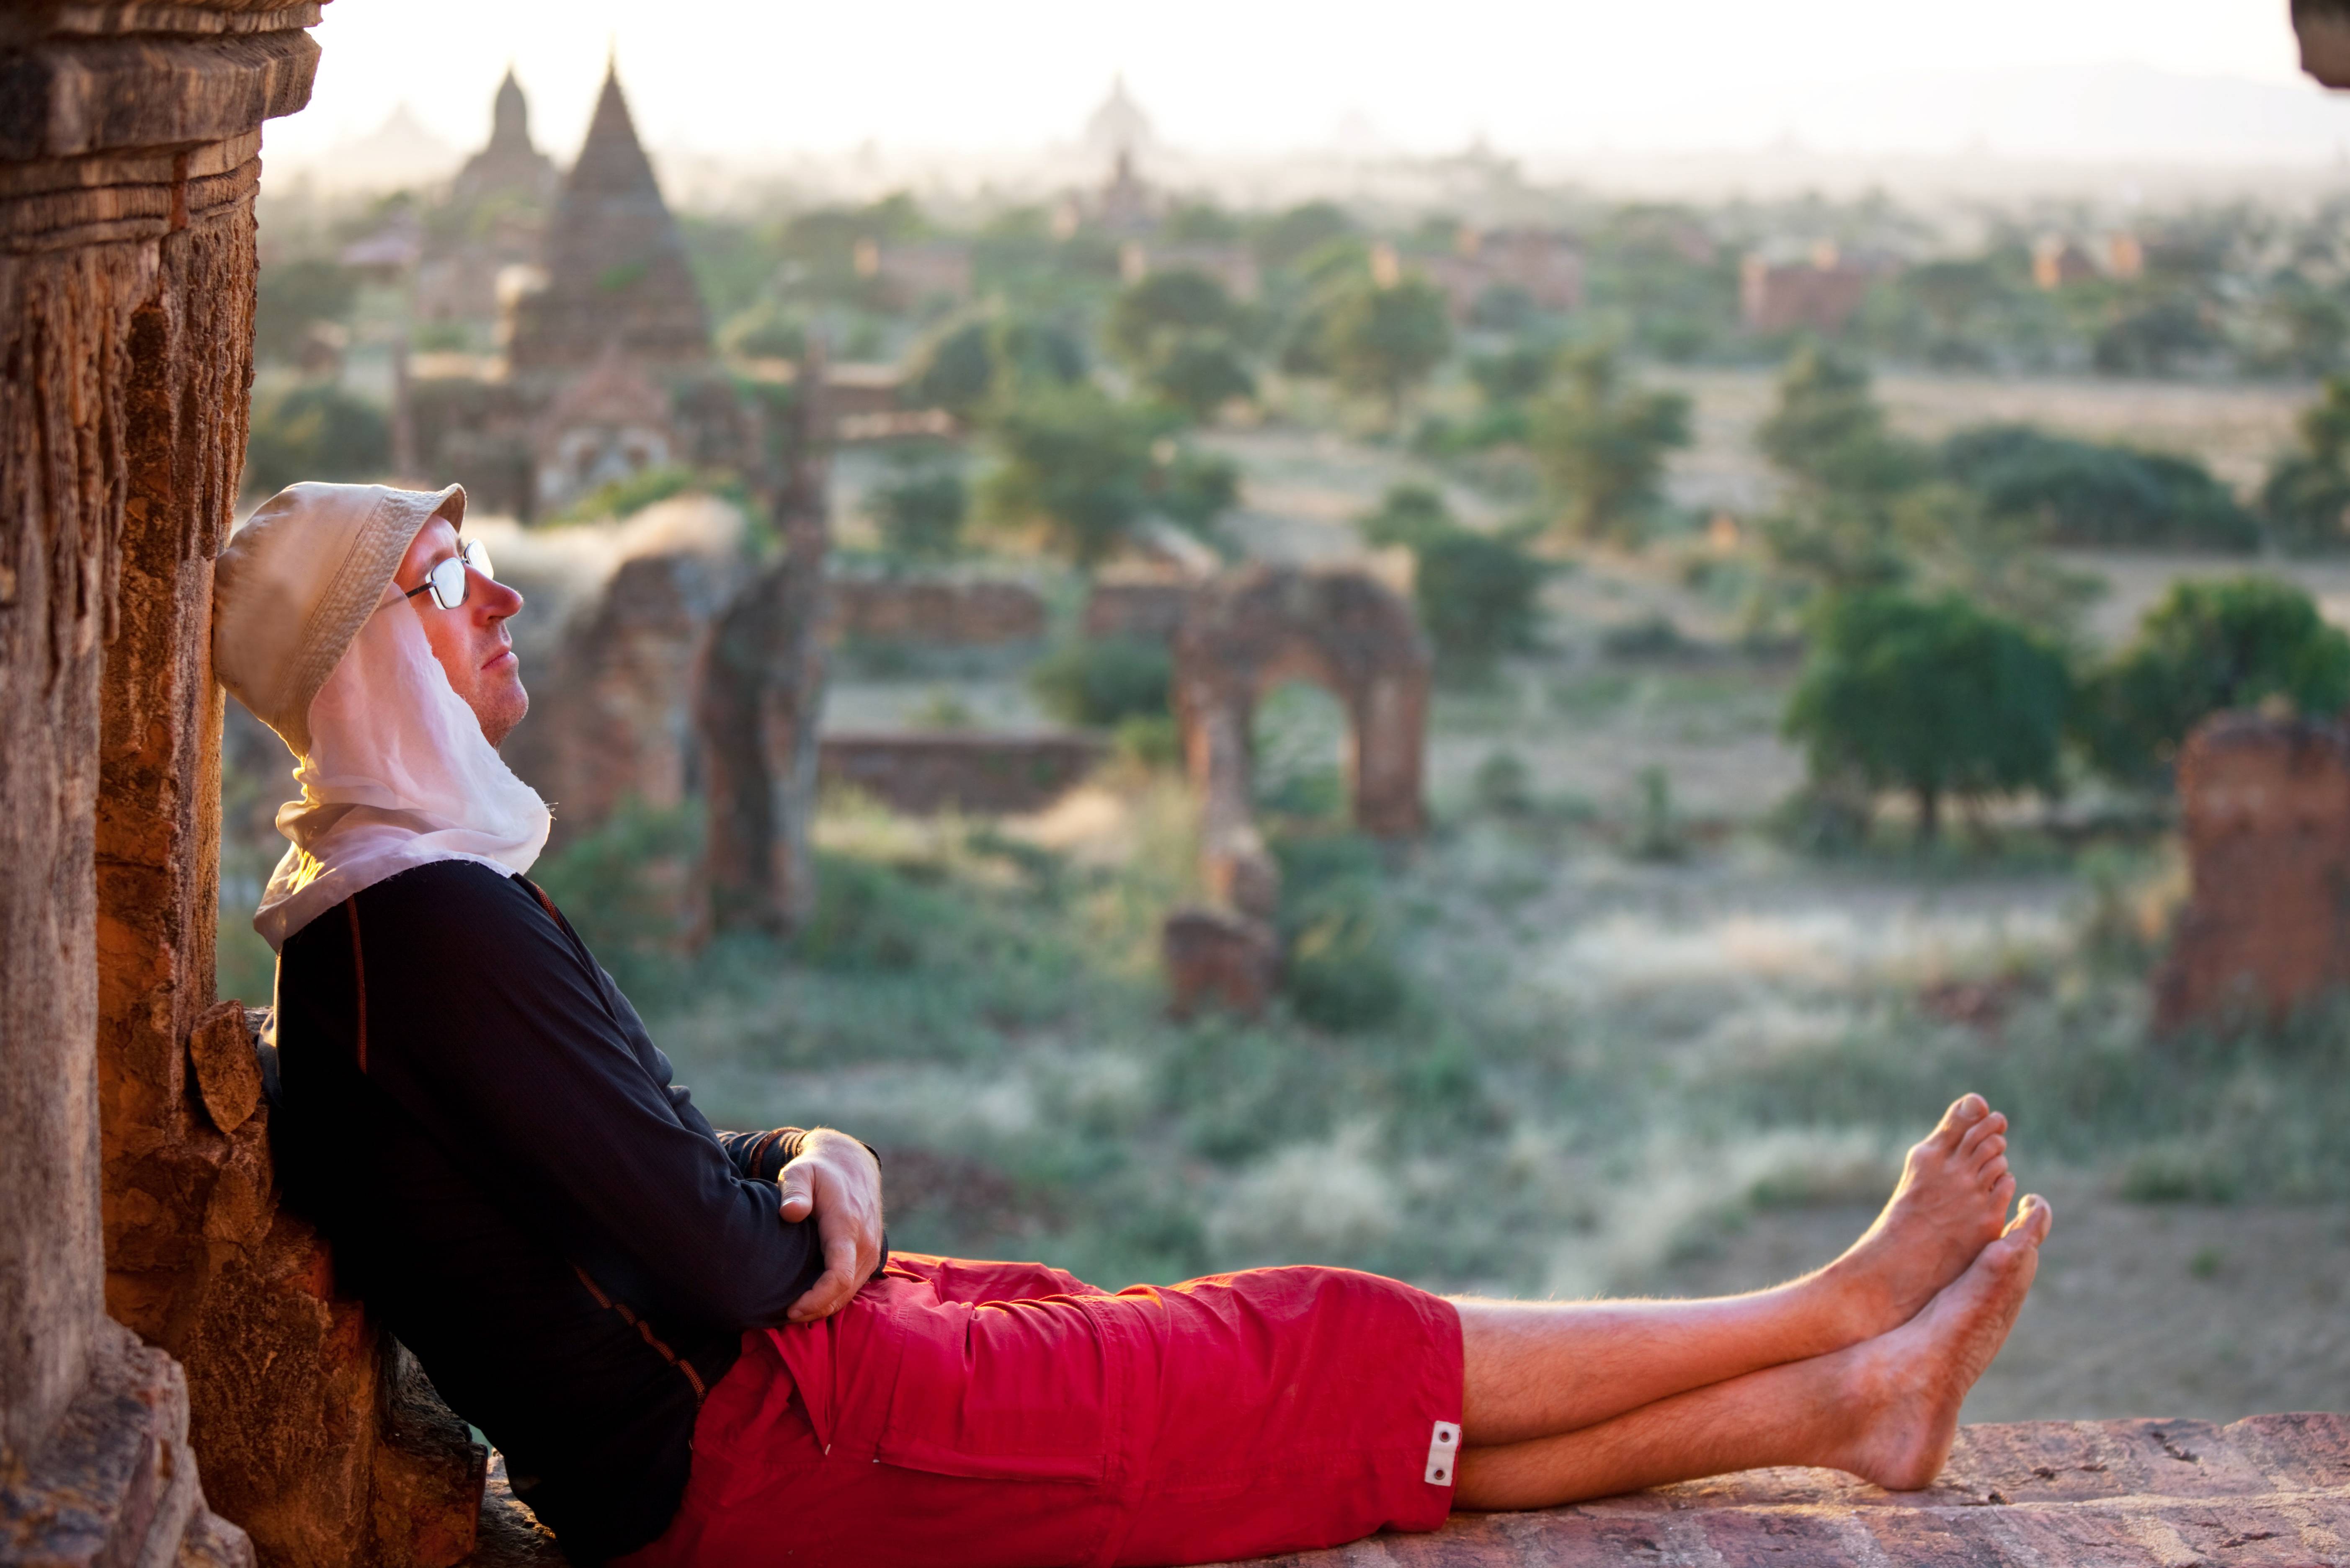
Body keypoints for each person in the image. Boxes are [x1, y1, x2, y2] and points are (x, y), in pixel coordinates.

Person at [214, 482, 2052, 1568]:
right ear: (374, 659)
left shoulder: (394, 927)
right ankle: (1822, 1313)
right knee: (1309, 1345)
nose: (505, 594)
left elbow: (649, 1176)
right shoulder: (426, 929)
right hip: (755, 1445)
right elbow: (710, 1250)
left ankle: (1847, 1399)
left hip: (753, 1407)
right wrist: (791, 1192)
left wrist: (800, 1157)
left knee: (1304, 1437)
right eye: (449, 583)